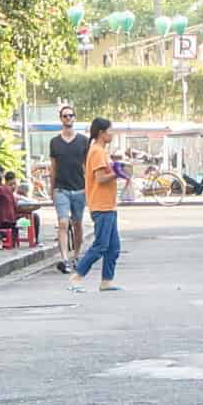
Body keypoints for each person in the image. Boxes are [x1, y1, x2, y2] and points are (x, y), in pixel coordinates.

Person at [69, 118, 126, 291]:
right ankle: (77, 275)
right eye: (110, 131)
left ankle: (107, 280)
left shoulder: (101, 151)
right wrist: (116, 174)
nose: (112, 134)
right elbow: (100, 178)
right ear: (101, 133)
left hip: (108, 204)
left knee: (114, 246)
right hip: (101, 205)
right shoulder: (97, 152)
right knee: (101, 244)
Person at [48, 105, 88, 273]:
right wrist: (52, 188)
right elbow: (53, 167)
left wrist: (89, 187)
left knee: (77, 223)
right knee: (63, 223)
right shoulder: (55, 142)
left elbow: (87, 166)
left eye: (71, 115)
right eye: (65, 116)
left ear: (75, 118)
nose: (68, 119)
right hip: (61, 189)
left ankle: (76, 255)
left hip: (79, 188)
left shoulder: (83, 141)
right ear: (61, 119)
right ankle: (64, 258)